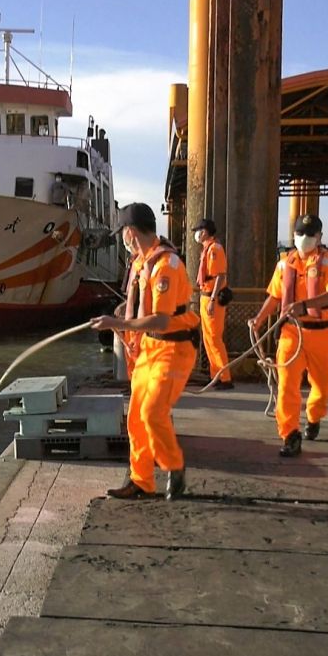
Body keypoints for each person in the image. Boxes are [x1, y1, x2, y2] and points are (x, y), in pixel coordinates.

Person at [91, 202, 200, 501]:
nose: (123, 239)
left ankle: (174, 466)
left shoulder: (167, 266)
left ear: (131, 231)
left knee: (153, 412)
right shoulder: (142, 262)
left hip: (173, 348)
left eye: (124, 233)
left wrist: (117, 322)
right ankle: (141, 482)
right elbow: (139, 303)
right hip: (148, 348)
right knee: (136, 419)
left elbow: (163, 320)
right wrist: (123, 324)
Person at [249, 214, 328, 458]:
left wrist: (304, 305)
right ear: (294, 235)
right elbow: (275, 295)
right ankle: (290, 434)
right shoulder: (284, 264)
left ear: (320, 237)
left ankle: (313, 417)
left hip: (323, 335)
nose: (305, 239)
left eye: (310, 234)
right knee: (287, 387)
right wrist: (259, 319)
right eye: (301, 233)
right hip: (291, 332)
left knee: (322, 388)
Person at [192, 218, 233, 390]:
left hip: (211, 298)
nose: (197, 234)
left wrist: (213, 299)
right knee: (208, 339)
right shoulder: (207, 249)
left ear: (205, 231)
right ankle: (215, 375)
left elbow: (220, 276)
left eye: (199, 230)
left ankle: (225, 378)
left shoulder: (215, 249)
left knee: (215, 339)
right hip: (205, 296)